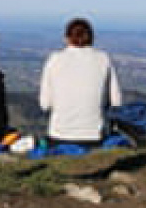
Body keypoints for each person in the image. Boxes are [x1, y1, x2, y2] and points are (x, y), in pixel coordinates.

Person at [39, 18, 123, 148]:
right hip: (95, 136)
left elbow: (45, 105)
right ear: (92, 38)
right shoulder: (103, 59)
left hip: (59, 135)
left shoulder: (54, 60)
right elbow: (117, 101)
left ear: (67, 38)